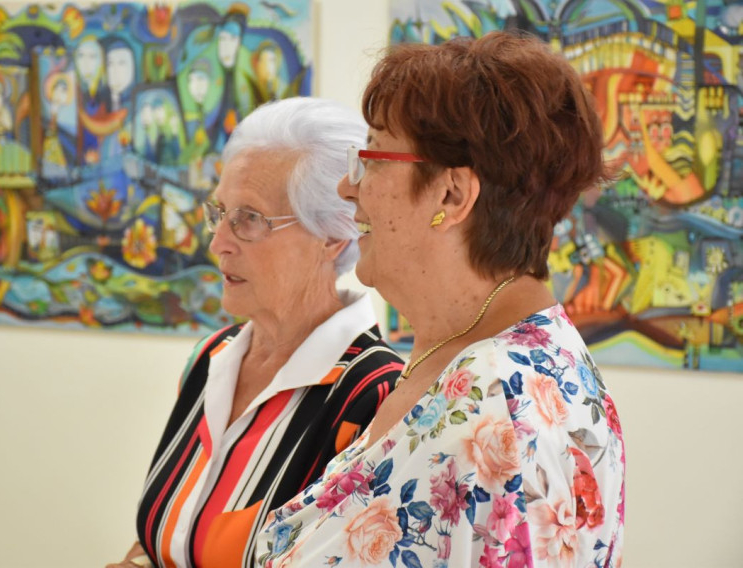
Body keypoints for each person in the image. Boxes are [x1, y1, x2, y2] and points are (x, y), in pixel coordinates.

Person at [256, 32, 626, 568]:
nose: (346, 187)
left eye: (371, 158)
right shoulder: (476, 356)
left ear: (451, 195)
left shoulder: (494, 408)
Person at [107, 97, 404, 568]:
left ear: (333, 236)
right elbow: (167, 537)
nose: (218, 243)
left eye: (249, 219)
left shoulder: (376, 396)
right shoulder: (212, 357)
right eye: (219, 212)